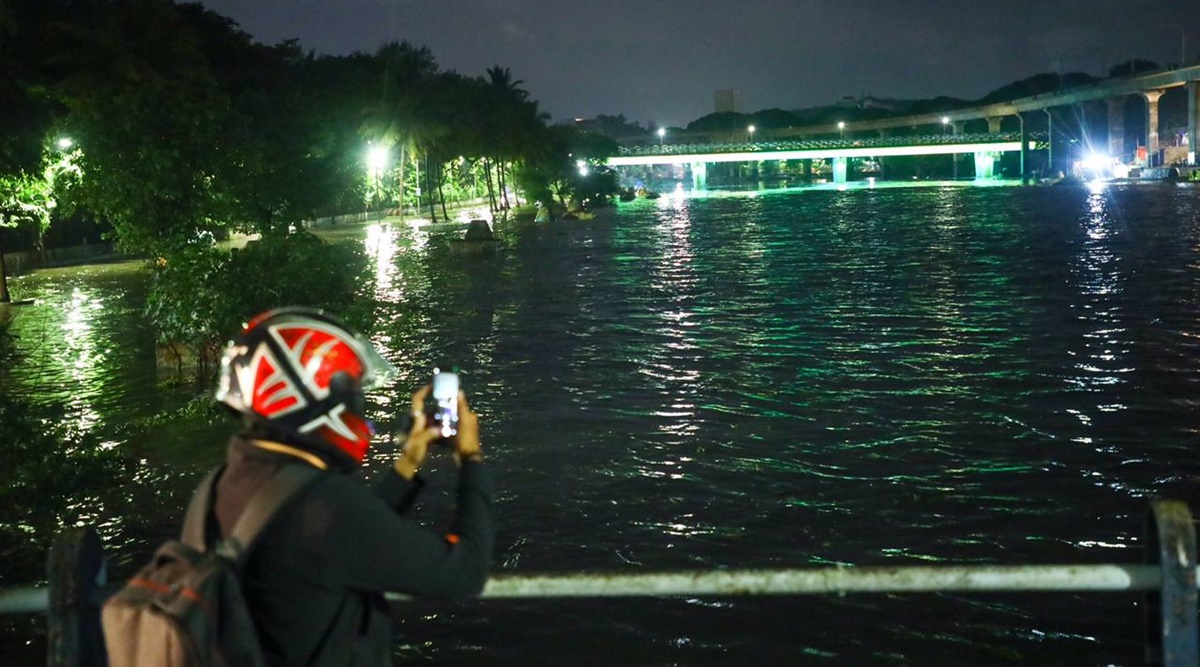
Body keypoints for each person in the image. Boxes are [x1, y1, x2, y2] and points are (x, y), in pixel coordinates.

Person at [209, 306, 495, 665]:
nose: (359, 411)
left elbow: (342, 538)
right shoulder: (326, 505)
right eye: (354, 394)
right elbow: (464, 573)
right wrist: (471, 458)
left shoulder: (220, 486)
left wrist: (408, 464)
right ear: (309, 395)